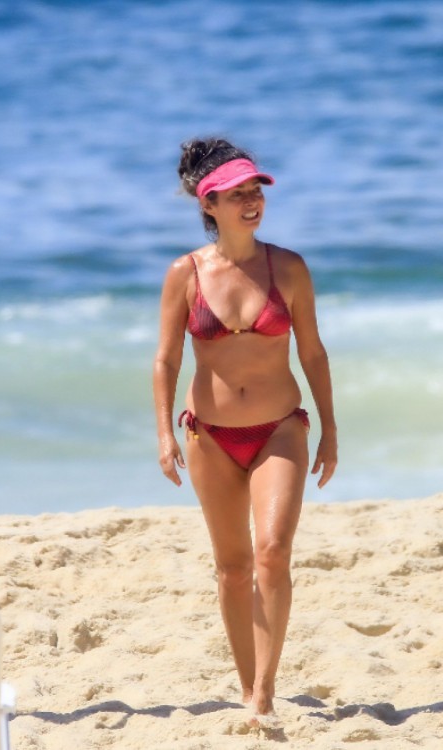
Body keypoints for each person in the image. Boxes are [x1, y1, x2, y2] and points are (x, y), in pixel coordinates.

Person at [153, 138, 337, 724]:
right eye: (238, 195)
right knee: (232, 569)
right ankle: (245, 684)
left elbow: (312, 353)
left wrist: (330, 428)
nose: (252, 202)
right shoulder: (185, 274)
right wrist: (163, 434)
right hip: (208, 435)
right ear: (209, 205)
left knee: (272, 553)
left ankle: (263, 691)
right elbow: (164, 361)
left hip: (280, 428)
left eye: (256, 192)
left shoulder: (289, 268)